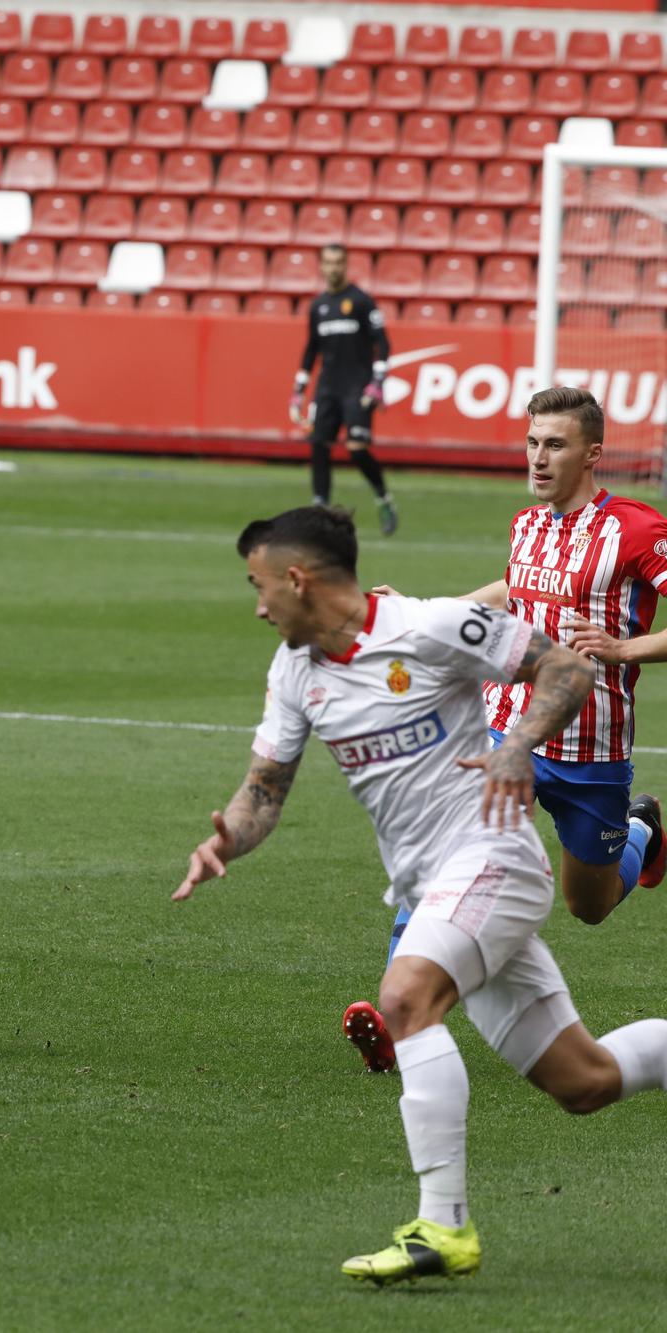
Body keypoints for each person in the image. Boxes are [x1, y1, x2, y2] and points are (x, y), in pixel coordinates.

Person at [175, 505, 667, 1285]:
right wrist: (227, 838)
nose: (259, 604)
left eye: (260, 586)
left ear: (298, 579)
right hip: (434, 885)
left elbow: (566, 670)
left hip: (493, 860)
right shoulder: (294, 671)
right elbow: (264, 789)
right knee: (587, 1082)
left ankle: (443, 1227)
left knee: (405, 997)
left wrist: (513, 745)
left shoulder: (434, 625)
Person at [348, 386, 667, 1075]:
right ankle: (396, 1012)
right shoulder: (528, 524)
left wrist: (623, 648)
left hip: (593, 752)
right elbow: (515, 590)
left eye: (554, 444)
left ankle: (643, 832)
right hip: (505, 729)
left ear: (592, 452)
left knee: (589, 904)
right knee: (451, 853)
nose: (539, 457)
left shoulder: (637, 529)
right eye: (532, 442)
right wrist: (425, 611)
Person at [292, 244, 399, 536]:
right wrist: (299, 387)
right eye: (328, 262)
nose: (333, 268)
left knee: (356, 449)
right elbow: (312, 348)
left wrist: (377, 383)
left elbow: (384, 343)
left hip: (356, 387)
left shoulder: (361, 301)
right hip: (327, 386)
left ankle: (383, 498)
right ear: (321, 266)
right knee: (318, 444)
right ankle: (320, 510)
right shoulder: (318, 306)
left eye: (338, 262)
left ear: (345, 264)